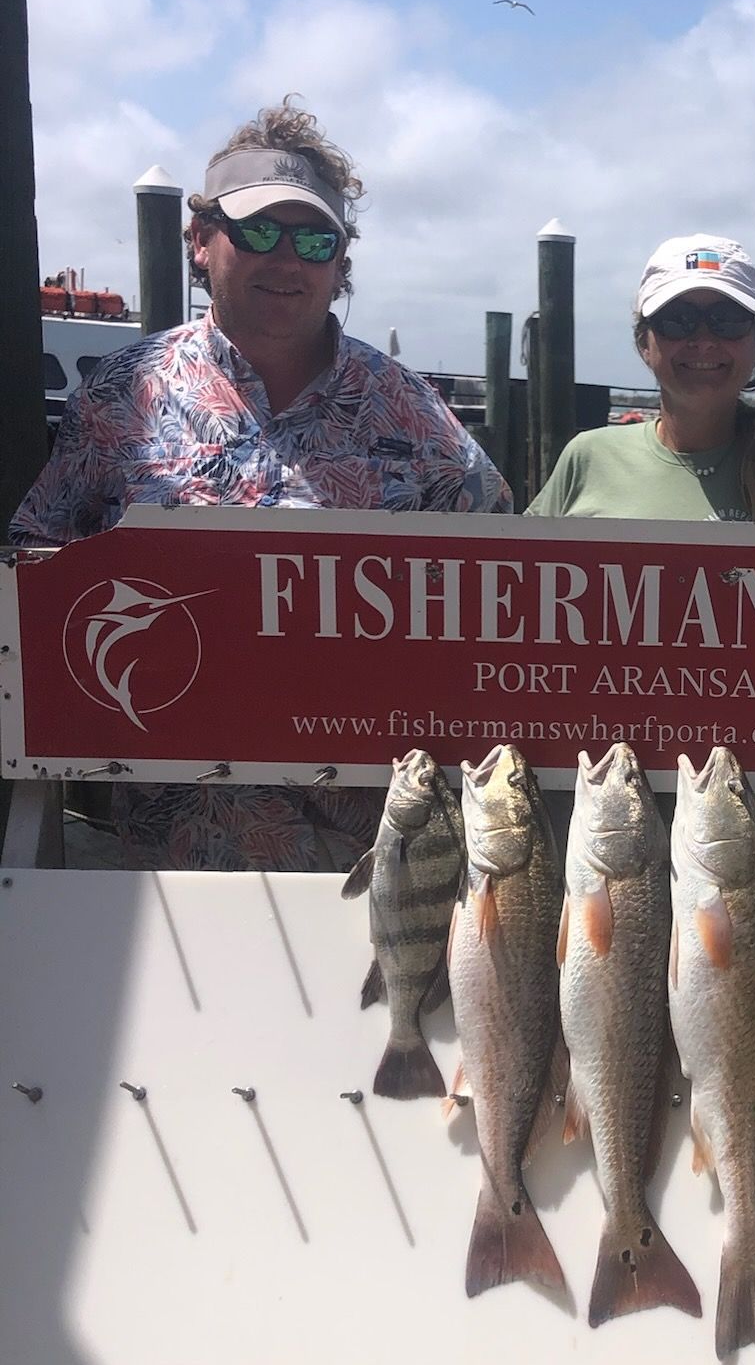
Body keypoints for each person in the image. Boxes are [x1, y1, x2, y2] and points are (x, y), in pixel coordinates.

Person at [10, 101, 513, 872]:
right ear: (201, 239)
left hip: (375, 864)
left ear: (341, 264)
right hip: (170, 865)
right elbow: (30, 572)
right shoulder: (120, 396)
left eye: (314, 240)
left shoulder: (413, 410)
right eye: (258, 232)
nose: (287, 259)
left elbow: (508, 579)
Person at [529, 235, 755, 524]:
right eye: (678, 320)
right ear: (644, 343)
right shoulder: (585, 458)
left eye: (728, 320)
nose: (704, 340)